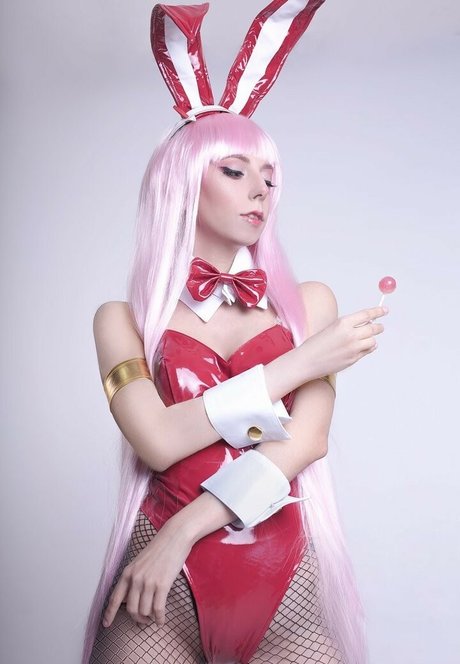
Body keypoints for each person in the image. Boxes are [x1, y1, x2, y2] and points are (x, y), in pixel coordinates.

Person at [82, 3, 387, 663]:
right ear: (183, 180)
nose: (261, 191)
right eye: (235, 170)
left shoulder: (309, 304)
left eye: (270, 177)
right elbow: (159, 441)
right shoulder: (122, 320)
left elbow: (306, 441)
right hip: (158, 596)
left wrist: (183, 530)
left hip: (285, 591)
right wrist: (296, 365)